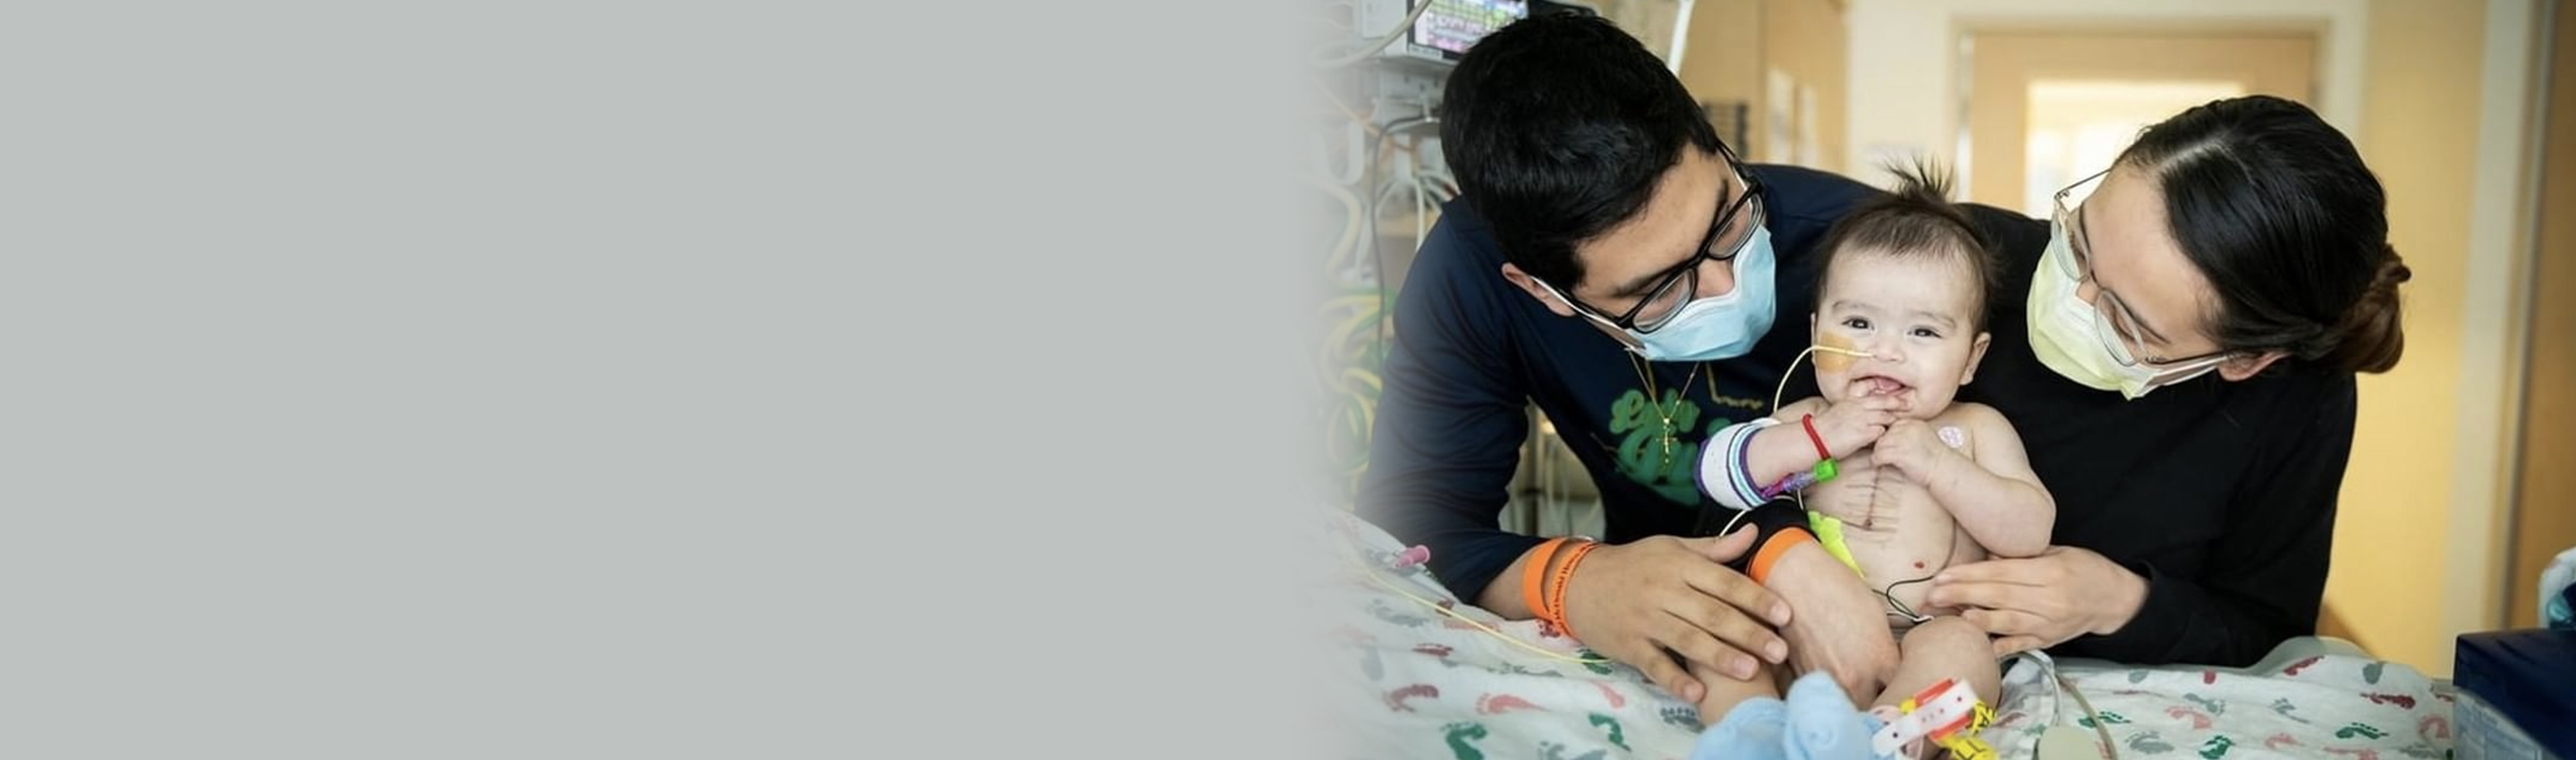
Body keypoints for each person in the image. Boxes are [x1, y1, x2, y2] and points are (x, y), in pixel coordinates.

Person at [1354, 9, 2409, 726]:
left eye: (1728, 221)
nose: (1730, 289)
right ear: (1546, 291)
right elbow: (1420, 526)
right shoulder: (1483, 271)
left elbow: (2262, 619)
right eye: (2077, 238)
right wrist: (1587, 576)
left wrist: (2115, 595)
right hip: (1750, 629)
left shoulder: (1859, 253)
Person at [1692, 164, 2053, 739]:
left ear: (1971, 359)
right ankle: (1751, 734)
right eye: (1858, 323)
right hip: (1797, 626)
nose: (1884, 351)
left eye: (1924, 333)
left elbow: (2030, 529)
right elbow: (1717, 474)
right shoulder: (1809, 418)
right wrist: (1815, 441)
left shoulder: (1975, 429)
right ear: (1816, 335)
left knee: (1964, 654)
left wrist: (1940, 466)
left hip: (1923, 633)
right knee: (1726, 645)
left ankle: (1887, 740)